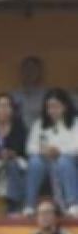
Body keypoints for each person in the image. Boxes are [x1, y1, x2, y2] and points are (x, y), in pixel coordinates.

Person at [25, 88, 78, 217]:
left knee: (63, 161)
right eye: (49, 107)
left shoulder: (75, 122)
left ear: (65, 106)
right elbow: (30, 147)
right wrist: (42, 151)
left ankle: (73, 204)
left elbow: (76, 147)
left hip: (69, 160)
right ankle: (29, 205)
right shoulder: (39, 124)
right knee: (34, 162)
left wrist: (59, 151)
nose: (52, 110)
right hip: (45, 160)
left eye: (56, 106)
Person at [10, 56, 46, 131]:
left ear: (39, 73)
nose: (29, 72)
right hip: (17, 137)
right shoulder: (12, 96)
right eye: (26, 69)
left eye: (33, 69)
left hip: (40, 136)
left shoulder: (46, 95)